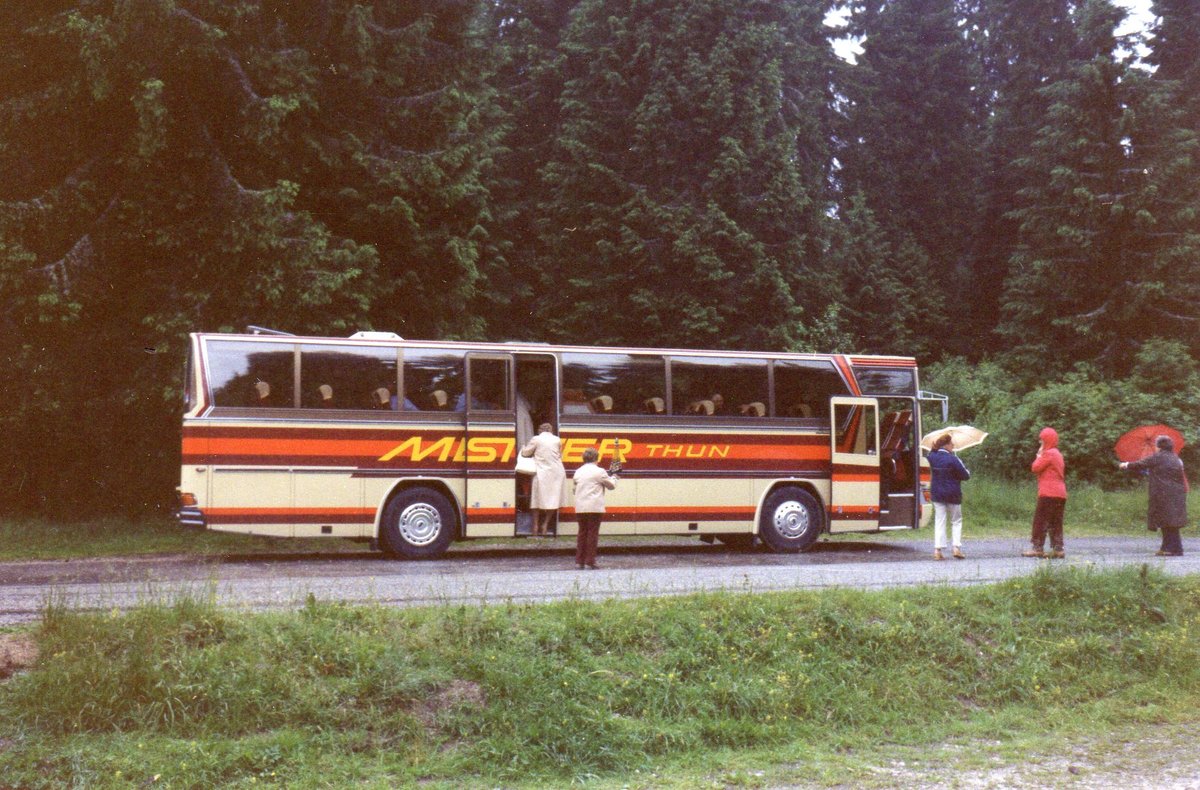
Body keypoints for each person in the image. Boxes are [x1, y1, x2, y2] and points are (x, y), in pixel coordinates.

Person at [1120, 435, 1188, 556]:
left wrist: (1126, 465)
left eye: (1156, 445)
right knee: (1171, 522)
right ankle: (1173, 548)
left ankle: (1171, 549)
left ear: (1160, 446)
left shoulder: (1158, 457)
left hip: (1163, 494)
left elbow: (1140, 464)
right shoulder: (1176, 458)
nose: (1155, 447)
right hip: (1177, 493)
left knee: (1166, 521)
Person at [1024, 427, 1067, 558]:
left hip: (1048, 492)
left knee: (1040, 520)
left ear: (1047, 440)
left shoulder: (1049, 454)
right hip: (1060, 493)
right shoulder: (1058, 454)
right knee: (1055, 521)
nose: (1040, 443)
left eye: (1042, 440)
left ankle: (1037, 548)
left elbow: (1035, 467)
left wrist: (1038, 455)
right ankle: (1058, 549)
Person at [572, 446, 617, 569]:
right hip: (594, 507)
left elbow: (574, 489)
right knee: (592, 534)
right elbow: (611, 486)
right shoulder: (599, 471)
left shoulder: (578, 471)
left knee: (582, 533)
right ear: (596, 458)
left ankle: (579, 561)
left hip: (580, 507)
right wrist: (614, 478)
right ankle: (590, 561)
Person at [927, 434, 971, 560]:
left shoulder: (932, 457)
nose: (953, 446)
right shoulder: (953, 459)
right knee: (956, 521)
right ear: (946, 445)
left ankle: (937, 550)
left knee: (940, 520)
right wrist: (964, 468)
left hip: (937, 493)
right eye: (952, 444)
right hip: (953, 493)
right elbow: (965, 476)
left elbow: (930, 457)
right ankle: (956, 548)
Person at [520, 423, 566, 536]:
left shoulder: (536, 439)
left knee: (536, 499)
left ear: (540, 430)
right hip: (557, 472)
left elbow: (526, 453)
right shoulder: (557, 439)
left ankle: (535, 526)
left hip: (541, 472)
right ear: (551, 430)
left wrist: (522, 448)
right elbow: (560, 456)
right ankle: (545, 524)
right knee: (553, 499)